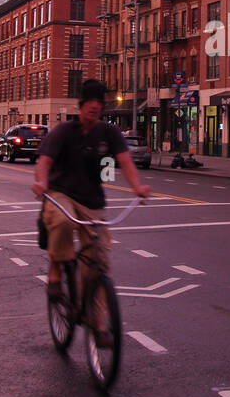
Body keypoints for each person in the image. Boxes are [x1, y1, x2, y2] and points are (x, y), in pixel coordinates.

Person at [32, 80, 151, 347]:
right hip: (61, 193)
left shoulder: (108, 133)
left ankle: (96, 322)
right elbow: (44, 162)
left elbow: (125, 161)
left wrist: (138, 188)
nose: (94, 112)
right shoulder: (63, 132)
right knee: (61, 222)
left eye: (99, 108)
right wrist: (41, 182)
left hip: (91, 200)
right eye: (90, 106)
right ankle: (55, 270)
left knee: (99, 261)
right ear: (82, 106)